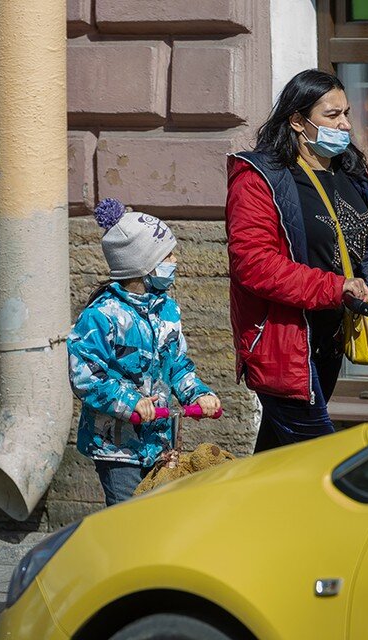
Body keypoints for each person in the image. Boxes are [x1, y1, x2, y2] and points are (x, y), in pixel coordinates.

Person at [225, 69, 368, 452]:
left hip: (331, 337)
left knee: (278, 456)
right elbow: (254, 263)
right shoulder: (260, 178)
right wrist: (334, 287)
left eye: (346, 114)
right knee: (318, 454)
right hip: (284, 342)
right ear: (297, 120)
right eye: (332, 115)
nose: (344, 124)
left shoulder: (351, 171)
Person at [67, 198, 221, 506]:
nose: (175, 260)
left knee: (157, 515)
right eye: (168, 255)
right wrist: (131, 402)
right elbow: (86, 377)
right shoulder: (102, 316)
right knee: (127, 517)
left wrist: (198, 394)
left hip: (159, 441)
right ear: (143, 266)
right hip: (116, 448)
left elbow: (178, 365)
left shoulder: (168, 311)